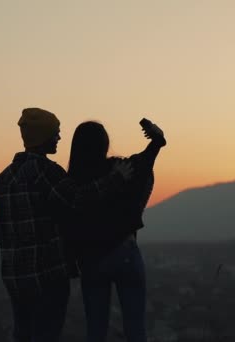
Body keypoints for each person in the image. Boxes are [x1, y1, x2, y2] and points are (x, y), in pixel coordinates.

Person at [0, 108, 134, 342]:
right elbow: (78, 200)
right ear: (43, 137)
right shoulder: (46, 172)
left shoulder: (1, 181)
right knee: (46, 333)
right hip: (48, 275)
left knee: (23, 333)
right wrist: (116, 178)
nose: (59, 138)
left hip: (15, 277)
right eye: (55, 133)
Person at [66, 118, 166, 342]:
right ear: (104, 143)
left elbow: (68, 223)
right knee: (135, 329)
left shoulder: (72, 182)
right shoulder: (118, 169)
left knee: (96, 330)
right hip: (125, 252)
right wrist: (156, 143)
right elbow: (142, 163)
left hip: (91, 260)